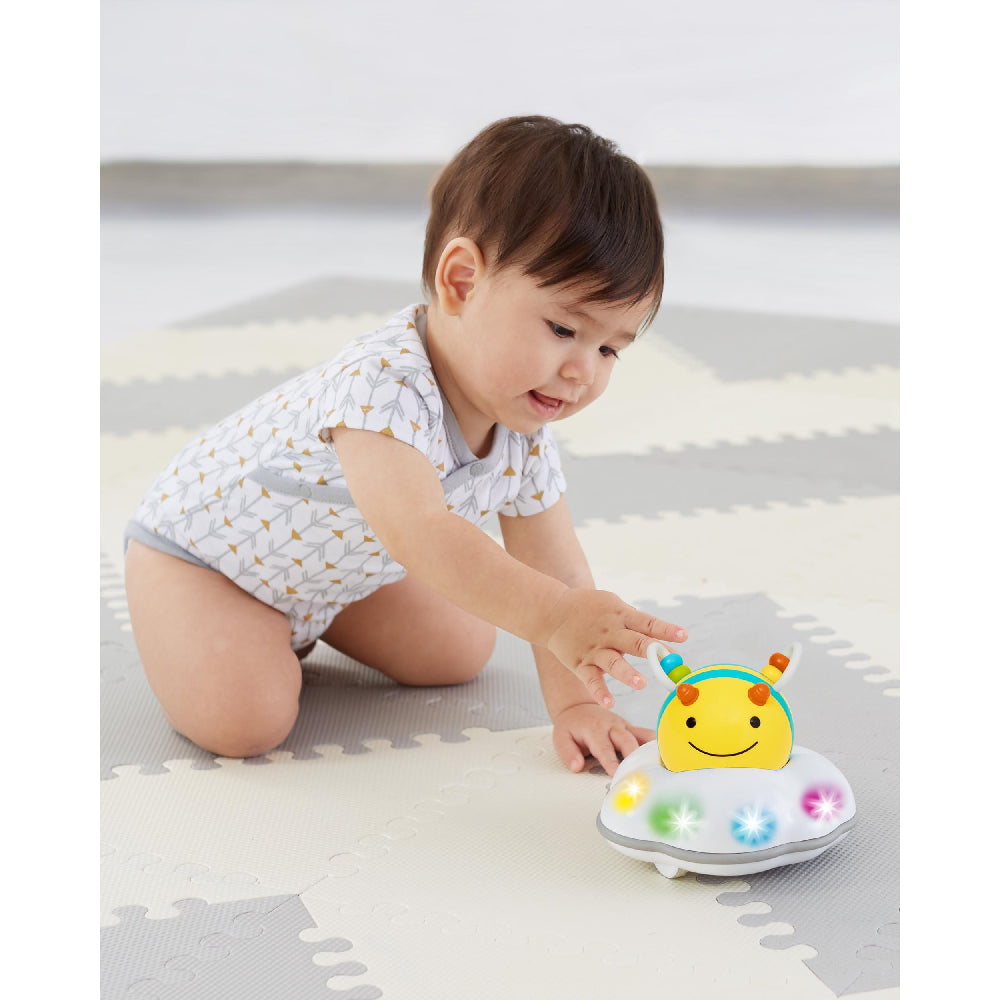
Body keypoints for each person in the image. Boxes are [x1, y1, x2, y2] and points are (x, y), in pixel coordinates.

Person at [123, 115, 687, 777]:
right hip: (204, 562)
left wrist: (575, 705)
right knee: (246, 723)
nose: (583, 371)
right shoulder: (380, 386)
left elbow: (555, 571)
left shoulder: (522, 426)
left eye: (610, 348)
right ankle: (251, 631)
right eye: (564, 327)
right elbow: (422, 534)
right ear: (461, 281)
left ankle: (306, 620)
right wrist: (557, 616)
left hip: (330, 566)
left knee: (459, 652)